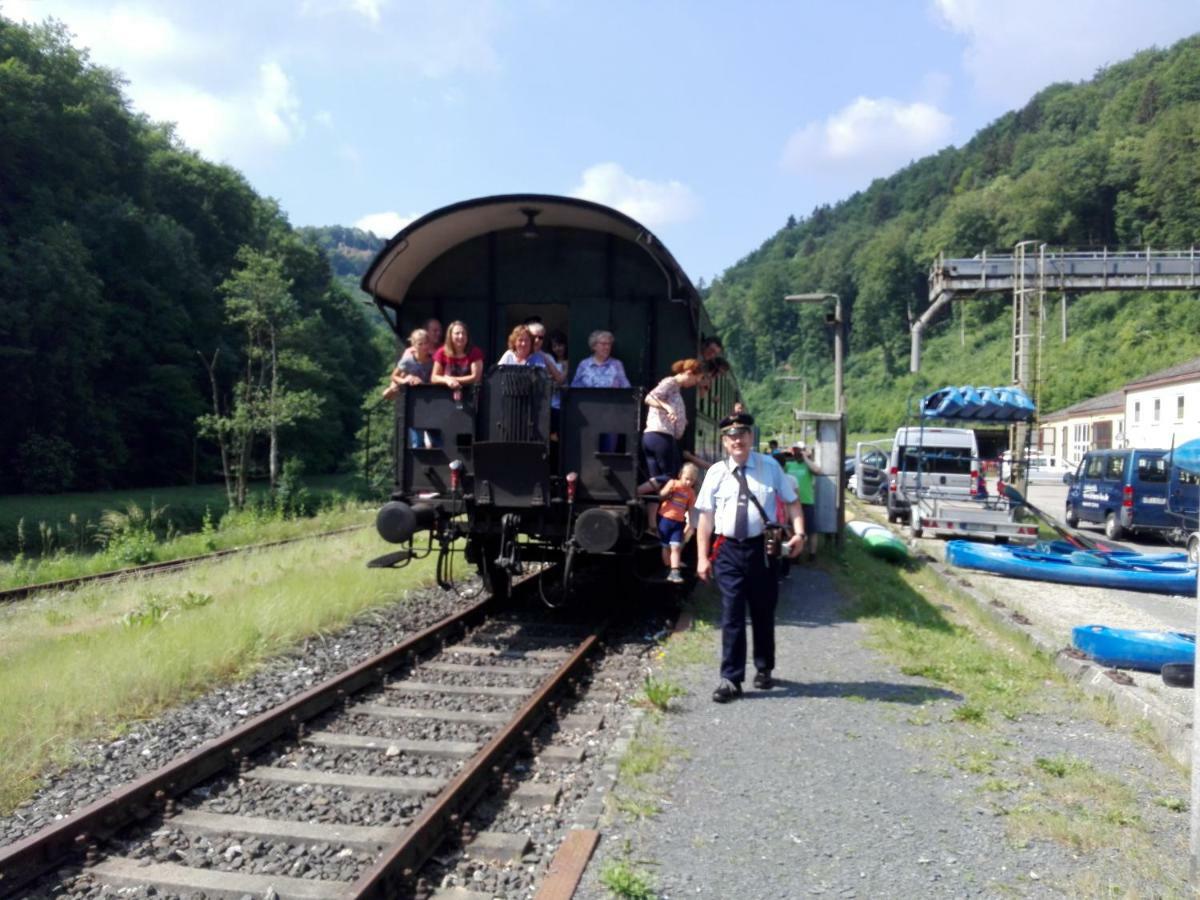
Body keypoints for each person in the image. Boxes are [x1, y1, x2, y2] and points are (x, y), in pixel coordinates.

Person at [696, 412, 805, 703]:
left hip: (762, 550)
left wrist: (799, 534)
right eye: (731, 436)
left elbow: (793, 503)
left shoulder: (769, 467)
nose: (738, 440)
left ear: (751, 437)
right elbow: (705, 519)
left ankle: (764, 667)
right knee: (731, 613)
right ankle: (730, 679)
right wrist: (701, 558)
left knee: (762, 611)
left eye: (742, 434)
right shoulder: (716, 473)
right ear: (724, 441)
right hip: (728, 551)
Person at [639, 359, 705, 495]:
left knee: (656, 482)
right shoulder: (670, 383)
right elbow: (649, 398)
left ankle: (652, 516)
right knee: (671, 475)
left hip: (653, 436)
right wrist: (668, 407)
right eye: (695, 380)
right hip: (661, 435)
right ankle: (635, 492)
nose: (694, 384)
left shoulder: (675, 388)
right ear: (688, 373)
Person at [658, 462, 701, 583]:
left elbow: (691, 509)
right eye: (686, 479)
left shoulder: (691, 493)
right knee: (666, 547)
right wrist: (668, 491)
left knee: (676, 547)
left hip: (678, 523)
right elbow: (661, 495)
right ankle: (668, 568)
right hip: (665, 519)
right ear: (680, 475)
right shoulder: (673, 484)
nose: (688, 482)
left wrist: (691, 523)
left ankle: (675, 571)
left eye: (691, 480)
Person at [785, 440, 823, 560]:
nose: (797, 453)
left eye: (800, 450)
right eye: (796, 450)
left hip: (806, 501)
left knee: (811, 529)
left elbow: (817, 471)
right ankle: (795, 553)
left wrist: (806, 458)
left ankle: (812, 554)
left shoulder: (808, 465)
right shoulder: (789, 464)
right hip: (792, 502)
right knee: (792, 529)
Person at [383, 327, 433, 400]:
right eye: (420, 344)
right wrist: (404, 380)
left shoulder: (433, 361)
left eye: (426, 343)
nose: (424, 346)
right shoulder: (407, 360)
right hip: (411, 396)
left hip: (427, 395)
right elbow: (393, 376)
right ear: (413, 345)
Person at [431, 320, 484, 389]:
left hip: (470, 394)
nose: (461, 336)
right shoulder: (441, 352)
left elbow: (476, 377)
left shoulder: (475, 352)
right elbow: (434, 377)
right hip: (445, 395)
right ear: (450, 336)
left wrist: (452, 379)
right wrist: (447, 380)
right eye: (457, 333)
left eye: (463, 333)